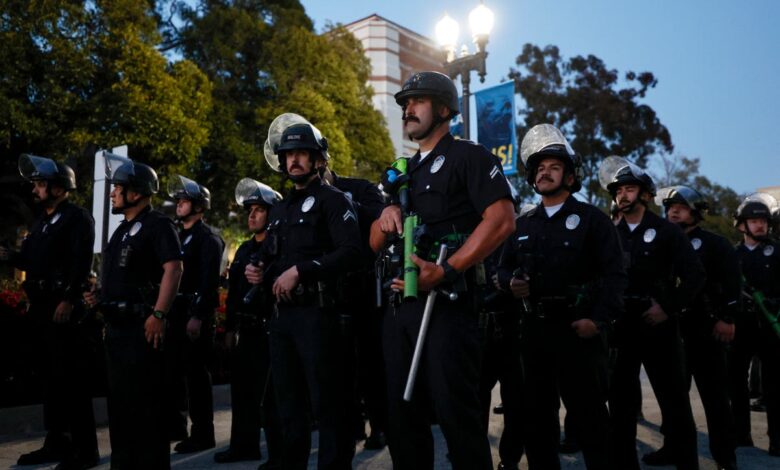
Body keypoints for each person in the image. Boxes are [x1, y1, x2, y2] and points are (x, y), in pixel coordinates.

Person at [370, 70, 515, 469]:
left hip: (447, 306)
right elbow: (373, 242)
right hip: (400, 307)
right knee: (401, 421)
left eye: (416, 101)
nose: (407, 109)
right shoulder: (401, 173)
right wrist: (386, 211)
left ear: (444, 109)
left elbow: (502, 220)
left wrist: (448, 269)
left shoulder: (469, 156)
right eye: (404, 104)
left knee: (458, 419)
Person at [496, 125, 626, 470]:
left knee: (592, 422)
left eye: (553, 167)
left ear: (569, 175)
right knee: (537, 423)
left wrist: (598, 320)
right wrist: (510, 283)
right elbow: (502, 269)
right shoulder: (522, 223)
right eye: (538, 169)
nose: (544, 173)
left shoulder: (593, 220)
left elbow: (615, 276)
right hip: (534, 334)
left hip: (579, 332)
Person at [246, 119, 361, 469]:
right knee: (287, 405)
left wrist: (302, 270)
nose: (294, 160)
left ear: (317, 159)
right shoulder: (280, 209)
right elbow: (271, 257)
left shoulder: (333, 200)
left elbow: (351, 251)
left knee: (329, 405)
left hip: (320, 316)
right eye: (289, 154)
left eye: (302, 154)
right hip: (283, 320)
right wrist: (259, 271)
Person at [599, 156, 705, 470]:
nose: (623, 195)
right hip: (621, 328)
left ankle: (686, 462)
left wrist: (668, 307)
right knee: (620, 405)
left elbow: (695, 276)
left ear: (645, 194)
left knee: (675, 404)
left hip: (658, 325)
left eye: (630, 189)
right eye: (619, 190)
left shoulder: (666, 231)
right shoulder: (607, 232)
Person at [83, 153, 183, 470]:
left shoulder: (158, 225)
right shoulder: (121, 230)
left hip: (142, 329)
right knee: (122, 410)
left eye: (118, 188)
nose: (113, 193)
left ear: (136, 192)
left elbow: (174, 269)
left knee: (147, 412)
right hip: (117, 331)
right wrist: (99, 296)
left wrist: (159, 315)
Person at [2, 155, 99, 470]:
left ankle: (85, 451)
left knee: (71, 380)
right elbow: (32, 261)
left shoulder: (77, 218)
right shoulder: (42, 220)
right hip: (42, 307)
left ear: (60, 188)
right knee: (50, 380)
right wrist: (12, 256)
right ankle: (56, 443)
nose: (36, 189)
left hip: (62, 307)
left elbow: (80, 262)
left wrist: (69, 299)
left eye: (42, 184)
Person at [642, 185, 739, 469]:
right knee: (673, 400)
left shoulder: (716, 244)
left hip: (706, 331)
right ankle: (673, 448)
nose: (673, 211)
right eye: (671, 207)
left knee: (716, 399)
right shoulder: (660, 241)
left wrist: (728, 319)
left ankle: (725, 457)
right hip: (670, 332)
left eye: (681, 208)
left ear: (696, 213)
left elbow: (733, 283)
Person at [214, 178, 282, 468]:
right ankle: (244, 446)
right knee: (241, 393)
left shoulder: (279, 247)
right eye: (249, 210)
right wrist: (229, 329)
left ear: (272, 213)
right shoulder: (242, 251)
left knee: (272, 398)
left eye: (259, 210)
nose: (251, 215)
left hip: (271, 329)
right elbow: (234, 294)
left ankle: (279, 456)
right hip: (246, 331)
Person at [321, 166, 388, 449]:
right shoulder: (307, 198)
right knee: (339, 365)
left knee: (371, 362)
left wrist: (342, 199)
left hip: (366, 287)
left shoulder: (361, 188)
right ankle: (352, 425)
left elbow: (379, 219)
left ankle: (380, 427)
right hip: (331, 291)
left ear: (324, 163)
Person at [165, 175, 225, 453]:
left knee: (197, 375)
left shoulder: (207, 238)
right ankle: (175, 426)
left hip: (194, 313)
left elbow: (207, 281)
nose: (179, 204)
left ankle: (203, 434)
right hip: (175, 313)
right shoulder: (178, 235)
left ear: (199, 206)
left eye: (185, 200)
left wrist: (198, 315)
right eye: (178, 200)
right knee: (174, 372)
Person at [729, 193, 780, 457]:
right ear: (741, 225)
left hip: (771, 327)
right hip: (740, 326)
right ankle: (741, 434)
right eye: (754, 221)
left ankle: (777, 439)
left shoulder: (777, 250)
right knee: (736, 382)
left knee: (774, 383)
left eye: (764, 221)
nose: (761, 225)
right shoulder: (731, 254)